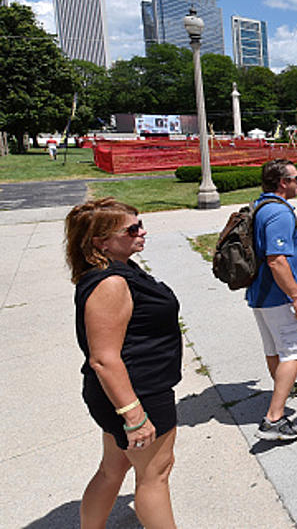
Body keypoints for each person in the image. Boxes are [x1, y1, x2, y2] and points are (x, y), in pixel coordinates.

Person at [66, 198, 181, 528]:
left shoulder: (121, 269)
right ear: (101, 242)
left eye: (140, 223)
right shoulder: (111, 283)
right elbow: (103, 358)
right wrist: (133, 416)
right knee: (155, 475)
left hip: (121, 392)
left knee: (113, 468)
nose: (142, 231)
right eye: (132, 229)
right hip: (135, 395)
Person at [247, 160, 297, 441]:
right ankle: (274, 418)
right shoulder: (279, 214)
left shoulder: (260, 205)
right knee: (292, 352)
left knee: (274, 349)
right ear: (282, 182)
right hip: (279, 297)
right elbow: (277, 261)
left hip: (260, 295)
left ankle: (284, 388)